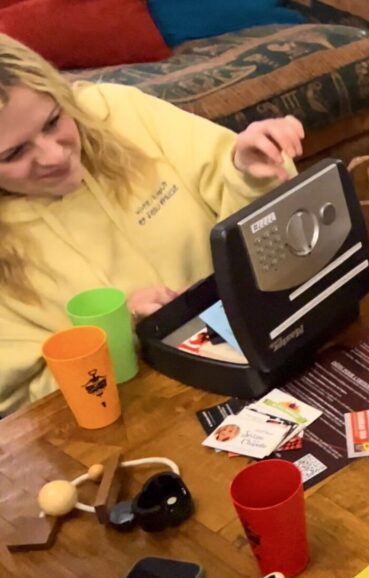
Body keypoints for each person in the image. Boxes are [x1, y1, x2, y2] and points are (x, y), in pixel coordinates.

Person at [0, 35, 304, 415]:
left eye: (53, 121)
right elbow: (22, 409)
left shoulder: (116, 112)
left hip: (265, 338)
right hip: (139, 411)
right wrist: (117, 335)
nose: (54, 155)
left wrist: (248, 173)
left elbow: (268, 223)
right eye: (14, 153)